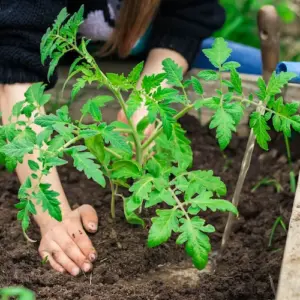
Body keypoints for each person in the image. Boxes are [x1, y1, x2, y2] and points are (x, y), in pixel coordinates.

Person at [0, 0, 225, 276]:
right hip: (42, 60)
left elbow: (187, 19)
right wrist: (53, 216)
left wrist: (145, 100)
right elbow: (13, 67)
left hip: (142, 52)